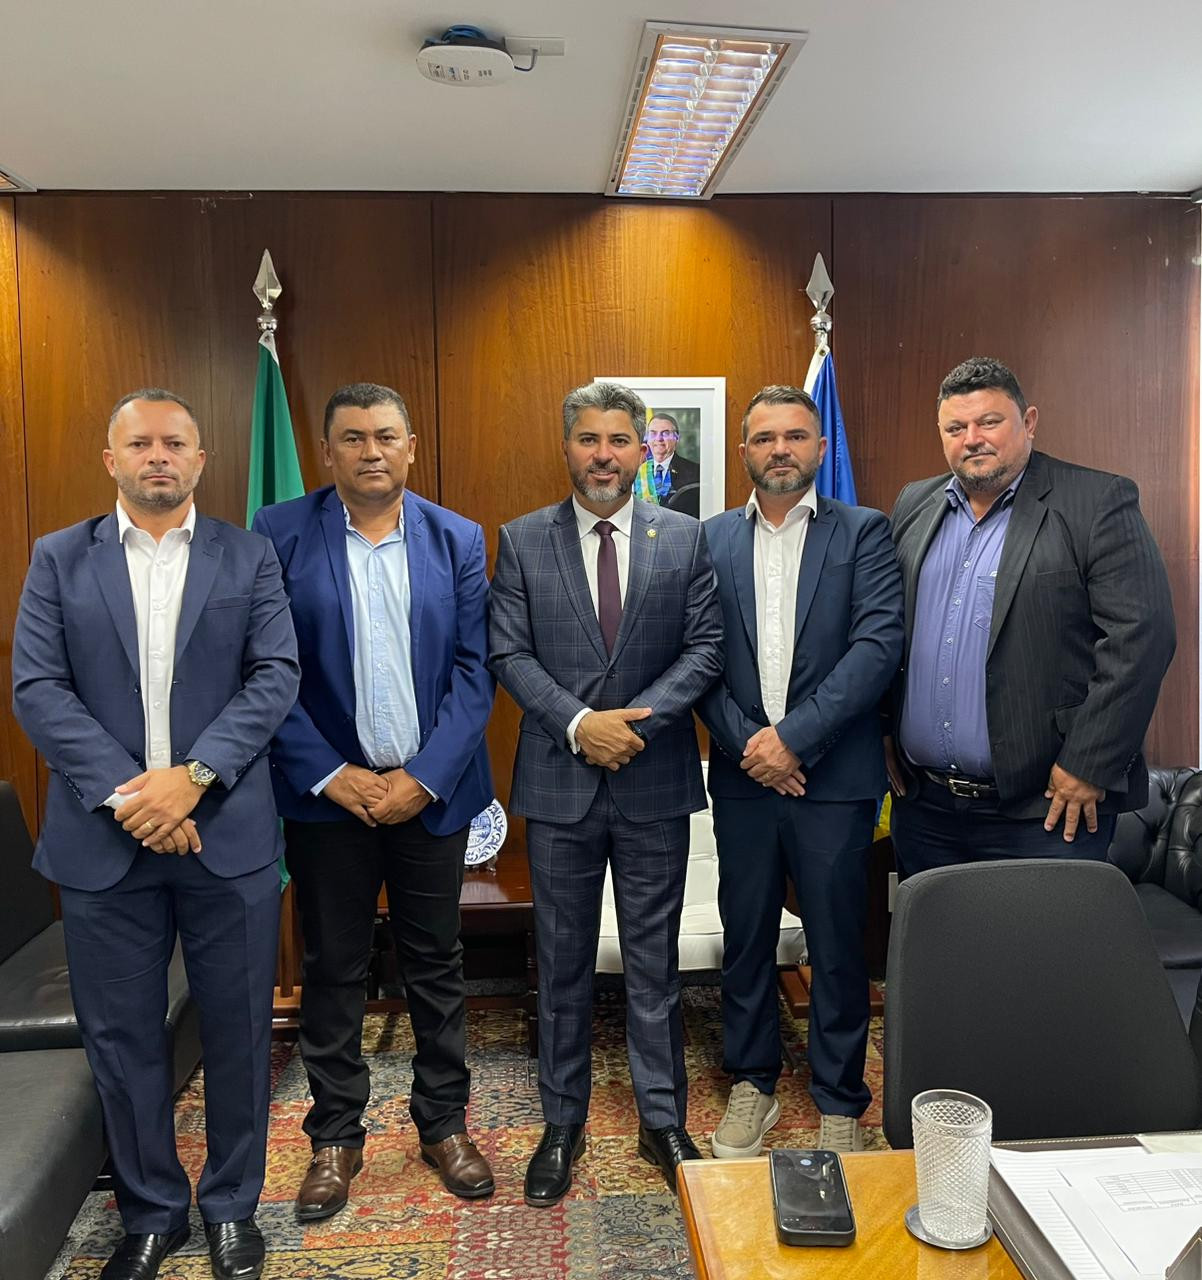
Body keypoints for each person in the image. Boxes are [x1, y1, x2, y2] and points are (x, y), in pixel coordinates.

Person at [12, 389, 299, 1280]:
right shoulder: (60, 558)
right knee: (123, 1037)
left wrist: (193, 778)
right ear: (112, 459)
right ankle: (150, 1213)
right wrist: (133, 796)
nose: (158, 457)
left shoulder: (248, 556)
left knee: (239, 1030)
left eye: (175, 442)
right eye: (140, 444)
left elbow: (274, 675)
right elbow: (38, 689)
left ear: (201, 458)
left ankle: (231, 1207)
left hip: (227, 837)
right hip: (104, 846)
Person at [253, 383, 496, 1217]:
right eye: (352, 437)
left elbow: (475, 671)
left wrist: (423, 777)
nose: (371, 451)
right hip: (329, 799)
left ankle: (444, 1125)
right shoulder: (279, 532)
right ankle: (335, 1137)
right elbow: (268, 669)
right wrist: (330, 772)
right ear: (327, 452)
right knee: (334, 967)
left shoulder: (457, 537)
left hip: (429, 794)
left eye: (386, 436)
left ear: (411, 446)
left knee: (436, 961)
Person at [489, 381, 723, 1204]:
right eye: (588, 439)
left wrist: (634, 727)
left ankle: (663, 1119)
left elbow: (705, 648)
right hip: (560, 784)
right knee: (561, 965)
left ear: (640, 449)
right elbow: (509, 653)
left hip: (654, 780)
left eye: (618, 440)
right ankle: (563, 1123)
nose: (603, 455)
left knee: (655, 965)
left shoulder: (684, 537)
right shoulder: (523, 540)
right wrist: (581, 723)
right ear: (568, 447)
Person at [699, 386, 903, 1156]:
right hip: (745, 781)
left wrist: (794, 742)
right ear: (744, 452)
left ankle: (840, 1102)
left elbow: (877, 649)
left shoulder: (865, 532)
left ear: (819, 448)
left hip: (834, 781)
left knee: (838, 945)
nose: (779, 449)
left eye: (794, 435)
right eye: (764, 438)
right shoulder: (711, 539)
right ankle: (752, 1085)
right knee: (746, 937)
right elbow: (698, 657)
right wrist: (754, 747)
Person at [887, 356, 1175, 878]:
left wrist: (1088, 764)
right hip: (925, 809)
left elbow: (1141, 640)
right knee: (934, 937)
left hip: (1047, 810)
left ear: (1029, 422)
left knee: (1042, 937)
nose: (972, 439)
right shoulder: (914, 503)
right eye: (955, 428)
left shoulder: (1095, 501)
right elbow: (887, 629)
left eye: (989, 422)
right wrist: (885, 730)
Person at [645, 413, 701, 517]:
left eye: (665, 433)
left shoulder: (696, 472)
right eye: (653, 433)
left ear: (677, 438)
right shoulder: (636, 471)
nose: (659, 438)